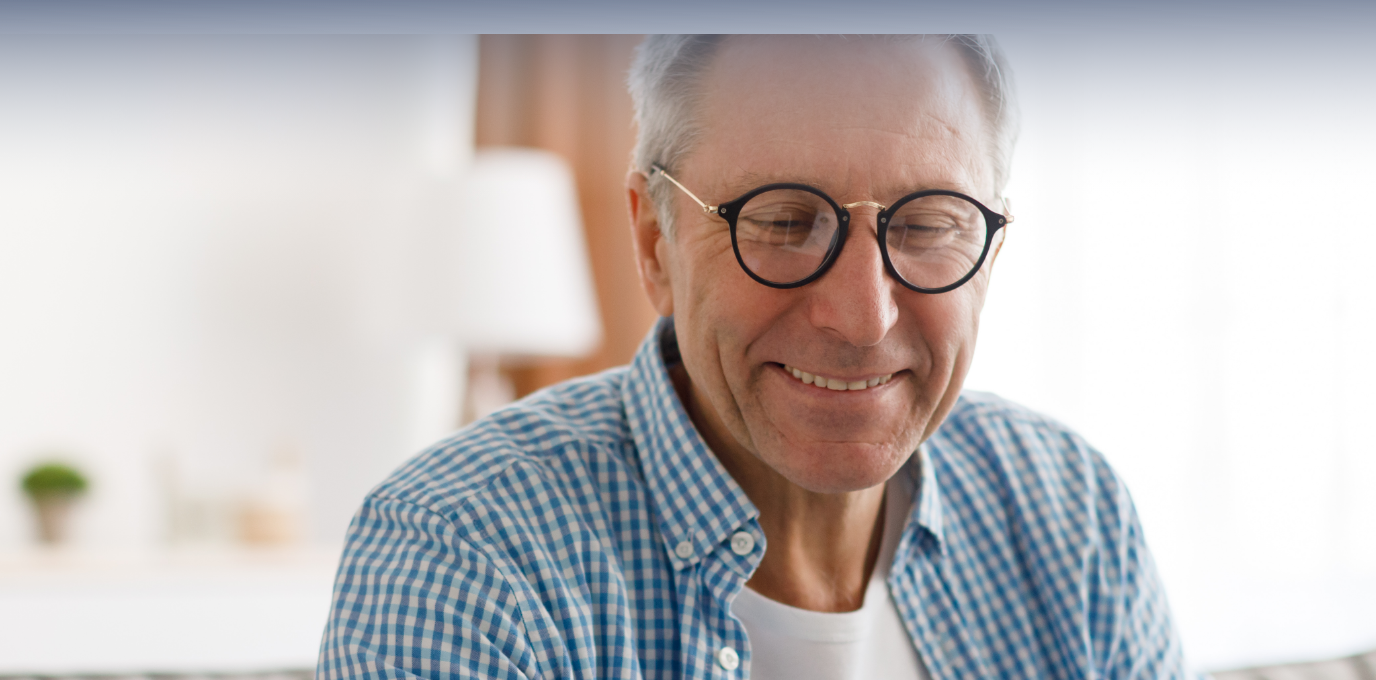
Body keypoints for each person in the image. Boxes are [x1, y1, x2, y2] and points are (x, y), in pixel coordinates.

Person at [320, 34, 1185, 679]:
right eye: (781, 220)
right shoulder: (462, 553)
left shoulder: (1072, 513)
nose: (862, 316)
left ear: (990, 252)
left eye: (925, 225)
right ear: (656, 243)